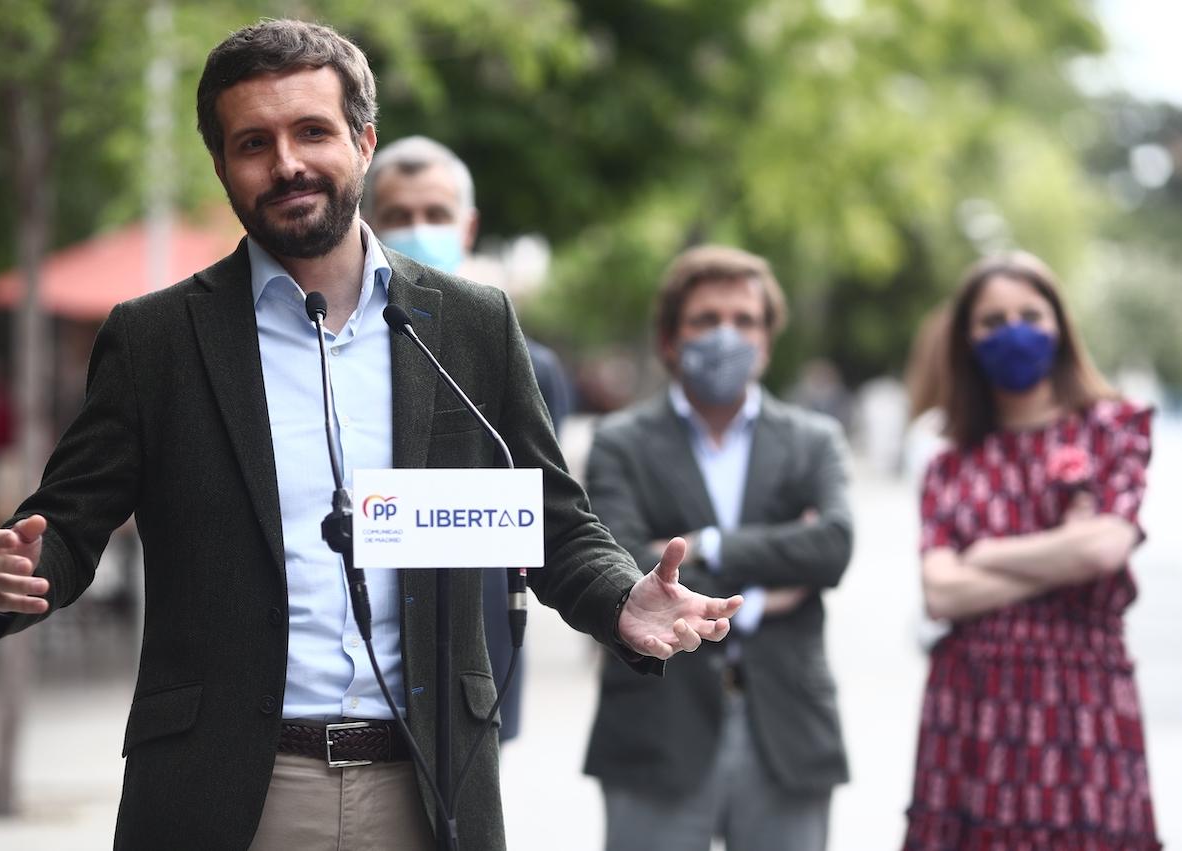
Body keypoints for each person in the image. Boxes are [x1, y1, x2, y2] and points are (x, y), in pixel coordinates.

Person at [0, 20, 742, 851]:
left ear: (364, 141)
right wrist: (13, 572)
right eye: (253, 142)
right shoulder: (157, 340)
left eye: (312, 131)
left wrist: (622, 597)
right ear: (223, 165)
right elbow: (67, 523)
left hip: (429, 780)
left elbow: (550, 518)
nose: (287, 162)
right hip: (225, 789)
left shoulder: (471, 324)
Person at [583, 245, 854, 851]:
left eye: (745, 321)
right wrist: (772, 579)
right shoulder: (619, 442)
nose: (727, 335)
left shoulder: (814, 440)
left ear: (767, 340)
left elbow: (832, 547)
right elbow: (620, 560)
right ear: (670, 339)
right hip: (655, 727)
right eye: (707, 320)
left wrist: (702, 547)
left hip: (787, 727)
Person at [903, 252, 1161, 850]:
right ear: (966, 339)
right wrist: (1060, 553)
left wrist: (988, 552)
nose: (1012, 330)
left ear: (1060, 325)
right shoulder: (948, 455)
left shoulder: (1113, 427)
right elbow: (941, 591)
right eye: (992, 320)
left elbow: (1104, 550)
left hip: (1084, 702)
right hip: (972, 709)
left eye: (1029, 313)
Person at [362, 135, 574, 742]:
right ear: (369, 224)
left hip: (476, 666)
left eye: (436, 214)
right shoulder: (335, 351)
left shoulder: (529, 366)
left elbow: (549, 516)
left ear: (469, 226)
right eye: (400, 216)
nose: (418, 229)